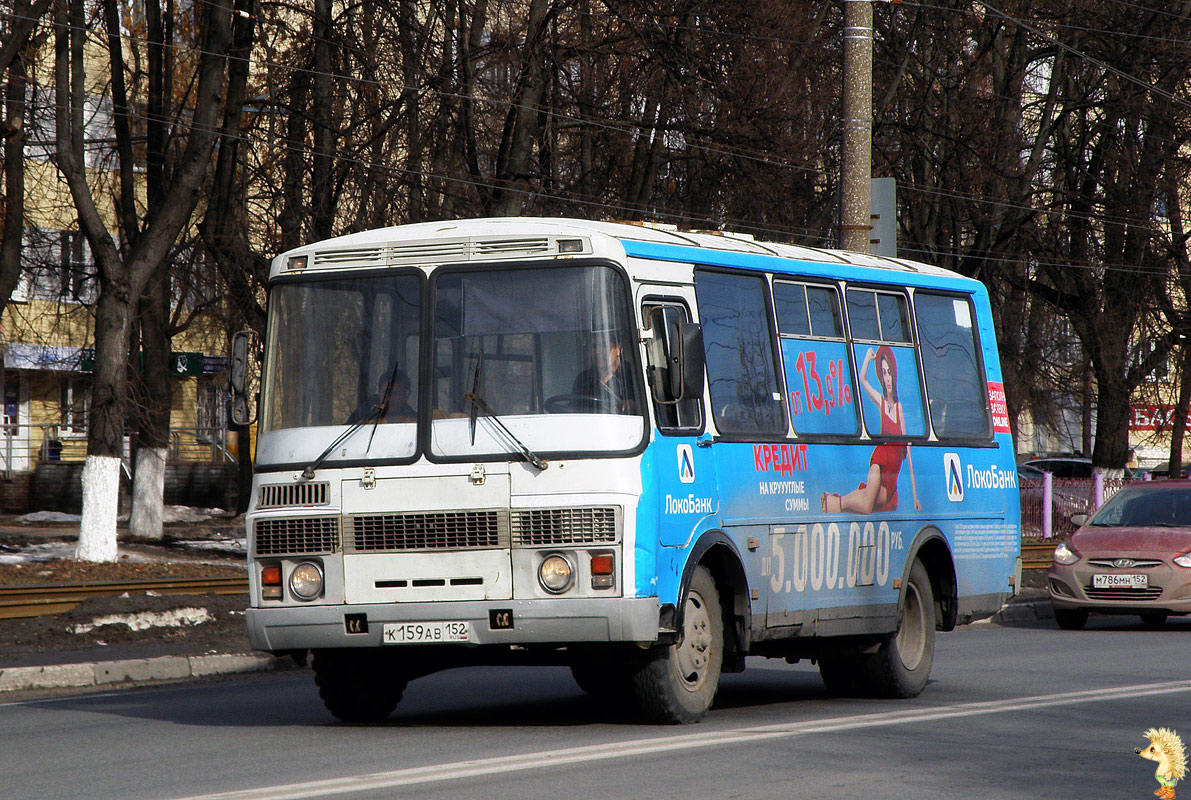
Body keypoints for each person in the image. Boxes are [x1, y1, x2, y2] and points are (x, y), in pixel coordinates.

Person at [822, 345, 920, 514]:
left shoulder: (899, 409)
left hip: (891, 475)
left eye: (889, 372)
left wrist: (915, 497)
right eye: (883, 373)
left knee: (871, 498)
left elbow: (908, 447)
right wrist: (867, 358)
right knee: (867, 507)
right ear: (881, 378)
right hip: (880, 461)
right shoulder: (881, 402)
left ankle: (834, 501)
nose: (887, 378)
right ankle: (834, 503)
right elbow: (863, 379)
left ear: (894, 375)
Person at [571, 336, 633, 413]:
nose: (598, 352)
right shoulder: (583, 379)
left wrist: (631, 405)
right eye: (594, 346)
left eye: (604, 346)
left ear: (618, 350)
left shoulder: (633, 376)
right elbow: (574, 409)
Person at [348, 370, 416, 424]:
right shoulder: (363, 417)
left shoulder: (416, 423)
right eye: (385, 392)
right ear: (379, 393)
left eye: (395, 394)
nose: (389, 398)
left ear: (405, 396)